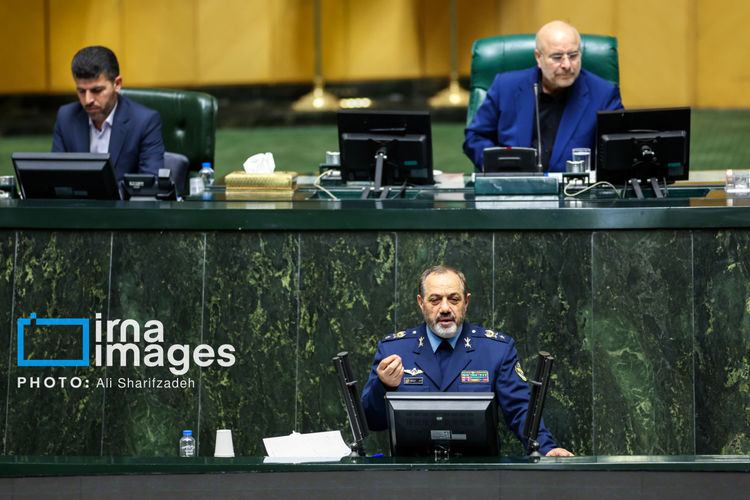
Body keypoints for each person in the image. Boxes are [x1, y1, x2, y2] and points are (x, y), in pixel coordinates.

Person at [361, 265, 573, 457]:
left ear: (466, 302)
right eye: (435, 300)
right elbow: (371, 421)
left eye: (454, 299)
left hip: (477, 474)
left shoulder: (496, 350)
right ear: (421, 303)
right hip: (412, 475)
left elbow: (521, 410)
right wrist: (383, 385)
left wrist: (546, 448)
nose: (445, 308)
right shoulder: (394, 350)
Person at [463, 20, 623, 172]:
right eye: (557, 57)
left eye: (573, 55)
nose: (567, 65)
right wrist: (500, 167)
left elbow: (619, 148)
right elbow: (475, 137)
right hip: (513, 187)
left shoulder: (604, 94)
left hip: (574, 189)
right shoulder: (505, 86)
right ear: (538, 58)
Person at [52, 46, 164, 181]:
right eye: (81, 91)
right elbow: (56, 176)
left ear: (117, 84)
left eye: (97, 90)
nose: (88, 100)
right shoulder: (66, 117)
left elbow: (150, 181)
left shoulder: (144, 121)